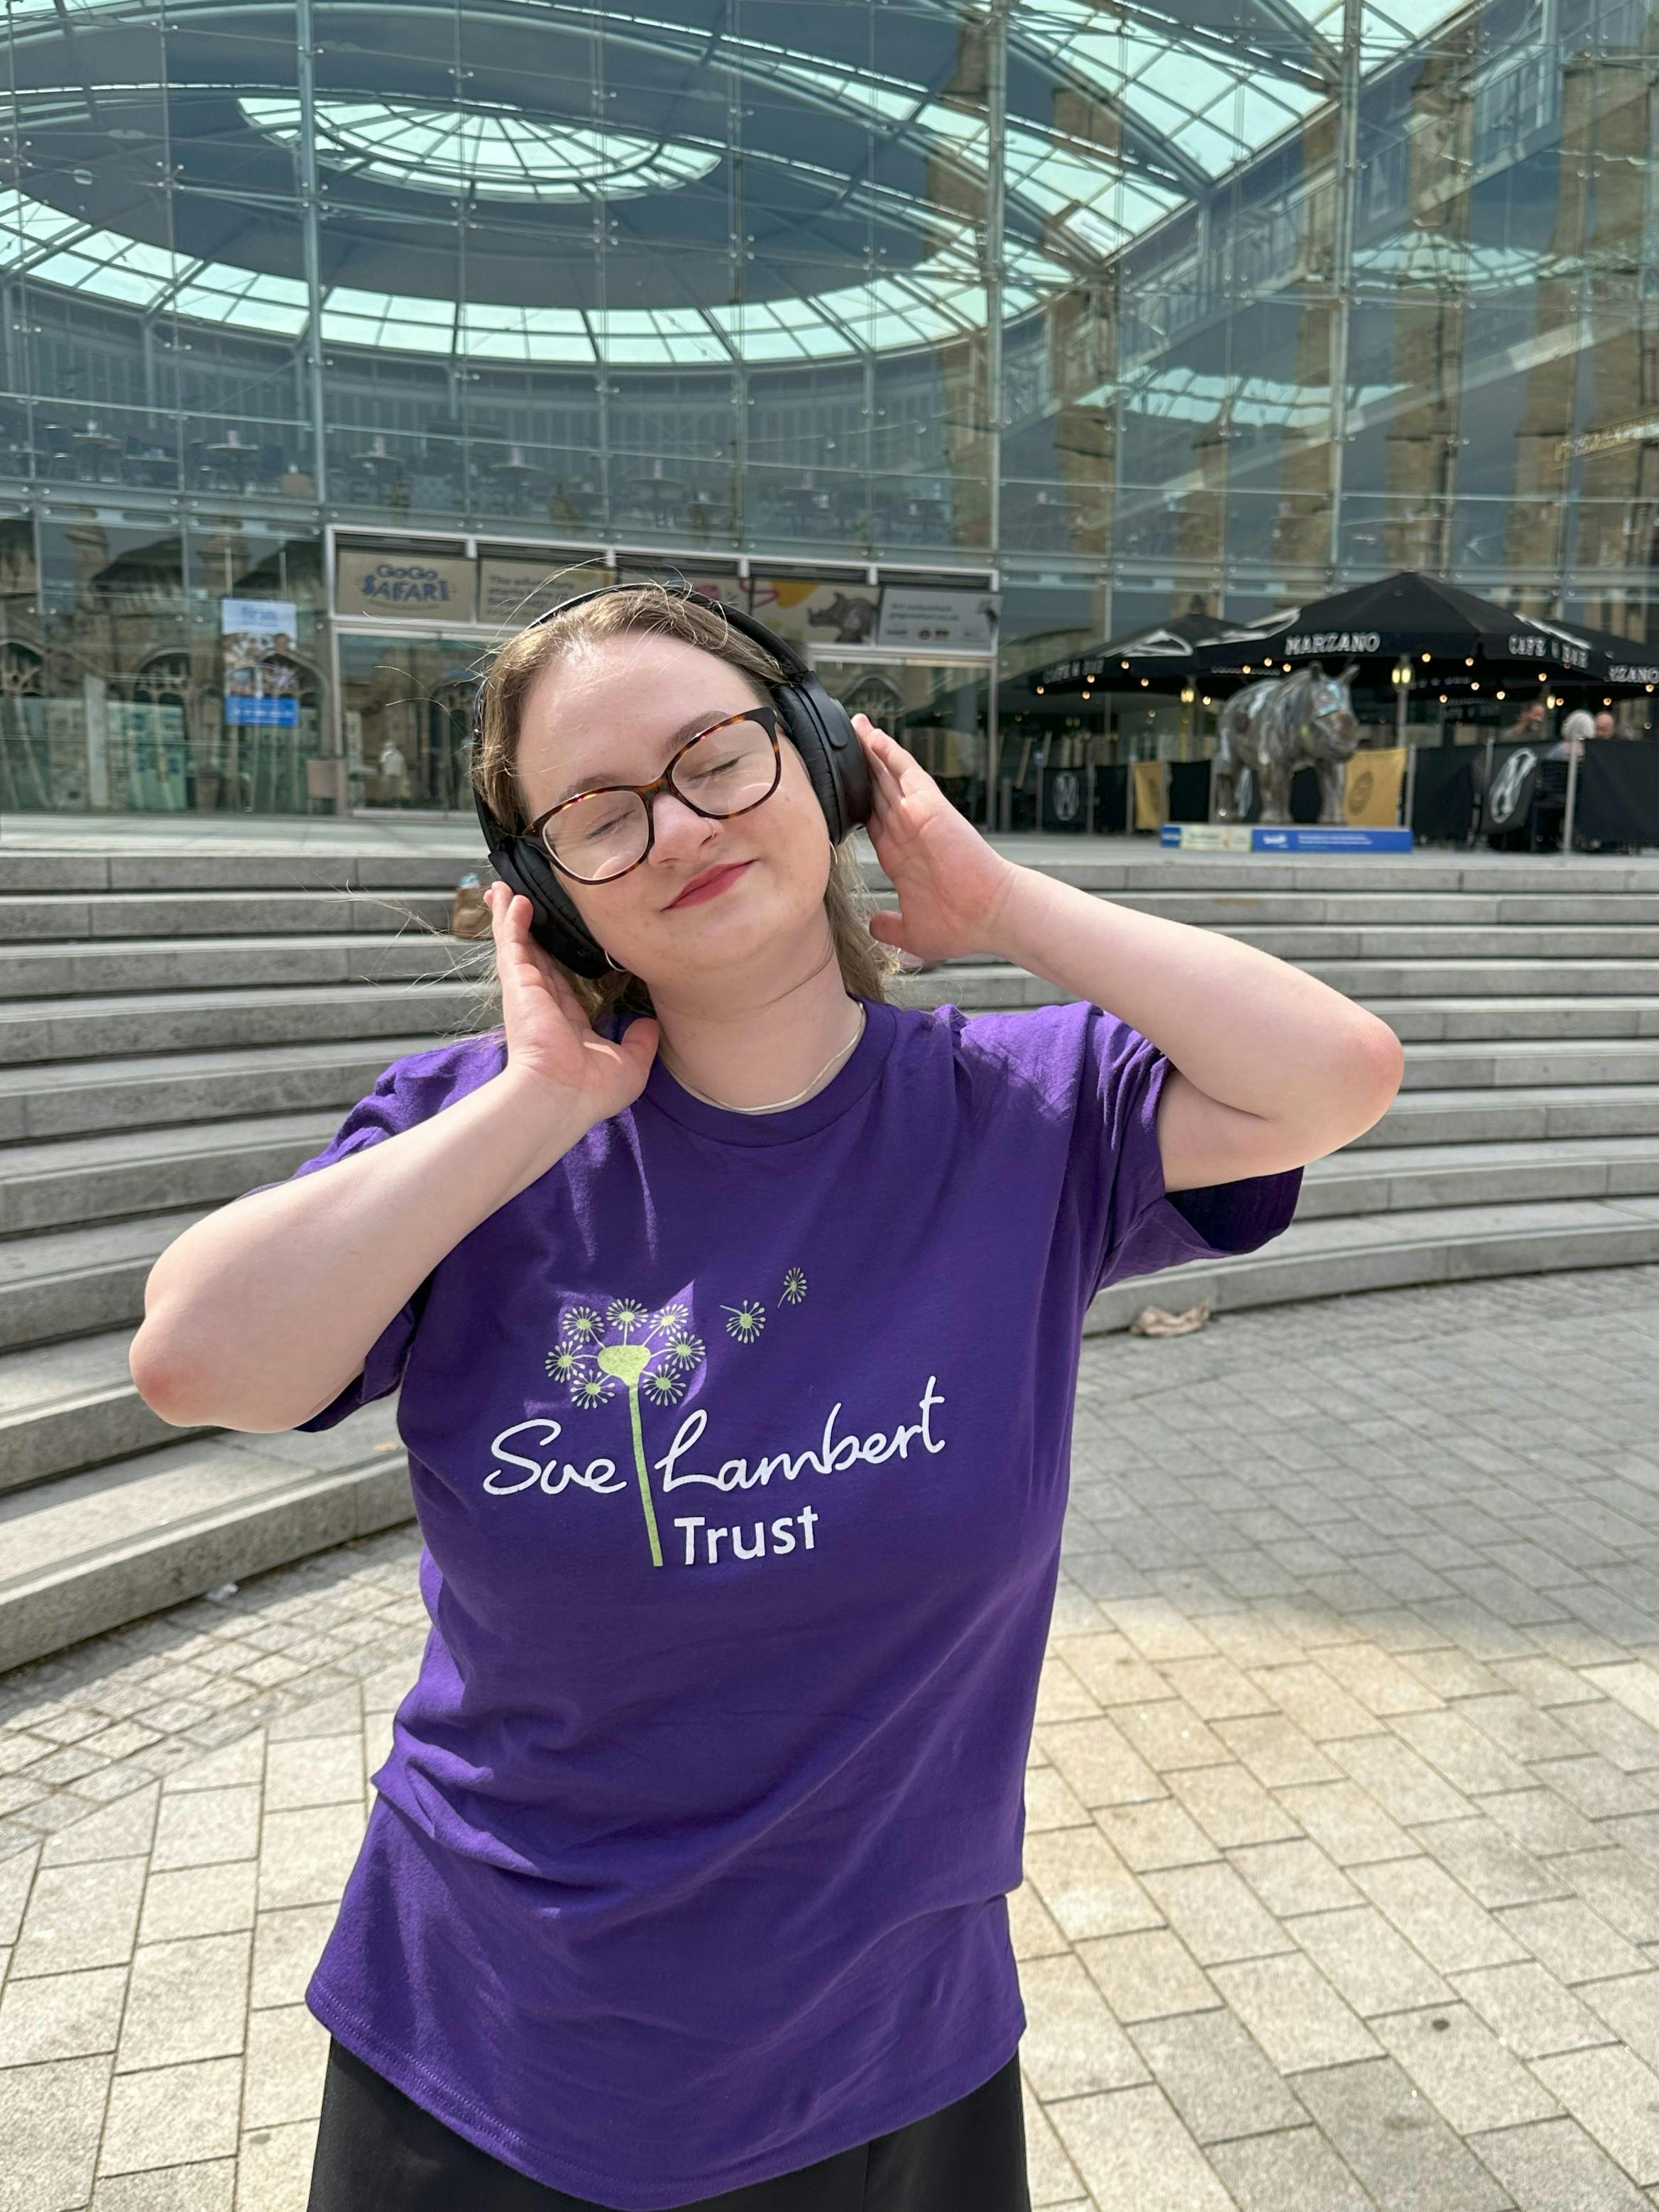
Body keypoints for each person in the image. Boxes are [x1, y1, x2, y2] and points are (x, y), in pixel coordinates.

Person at [129, 583, 1403, 2212]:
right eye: (594, 814)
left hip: (889, 2060)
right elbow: (196, 1360)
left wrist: (1000, 897)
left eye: (714, 757)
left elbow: (1334, 1073)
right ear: (541, 889)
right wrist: (538, 1110)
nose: (672, 826)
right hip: (494, 2060)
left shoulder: (1022, 1112)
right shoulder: (469, 1142)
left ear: (821, 762)